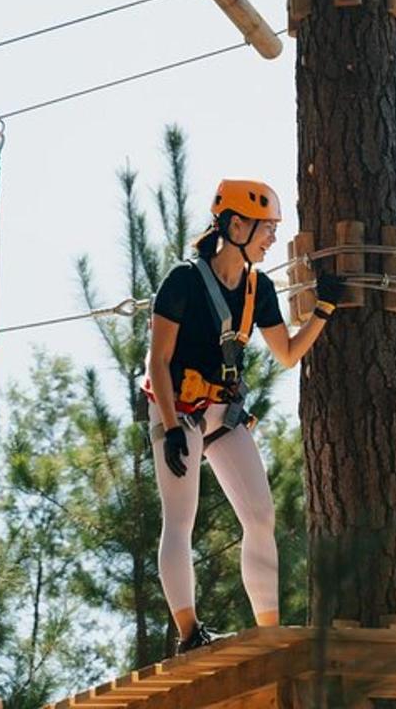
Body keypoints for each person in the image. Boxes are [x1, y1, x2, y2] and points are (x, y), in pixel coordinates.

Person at [143, 179, 343, 653]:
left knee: (260, 515)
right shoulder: (183, 281)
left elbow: (288, 353)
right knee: (180, 517)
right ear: (235, 225)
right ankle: (189, 632)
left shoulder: (260, 288)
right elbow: (158, 361)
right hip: (178, 406)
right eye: (266, 228)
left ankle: (269, 633)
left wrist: (324, 310)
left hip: (221, 409)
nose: (272, 237)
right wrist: (171, 428)